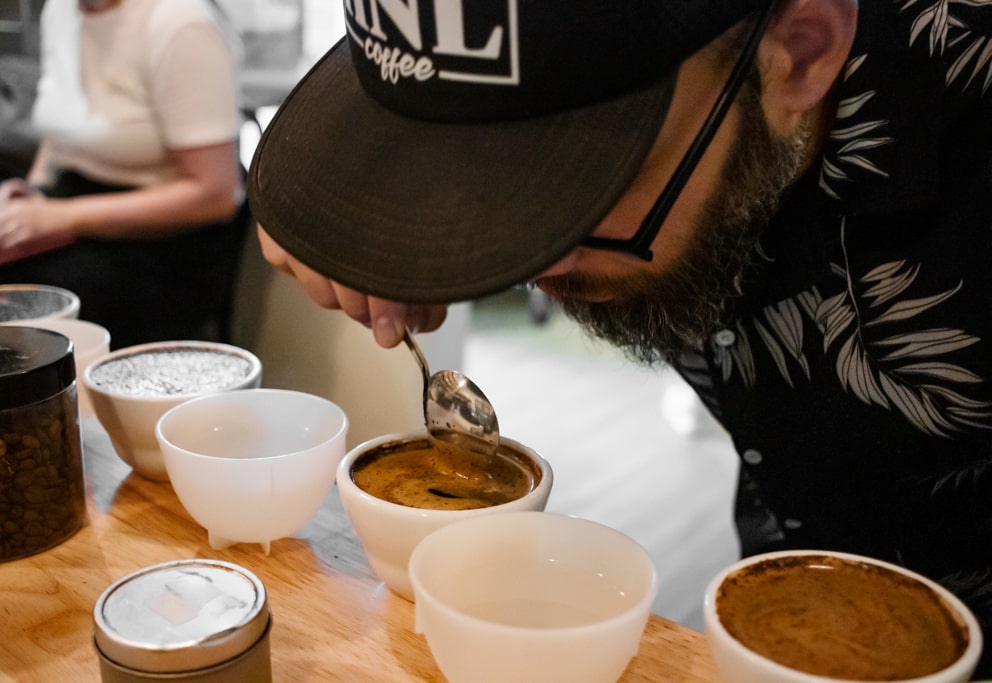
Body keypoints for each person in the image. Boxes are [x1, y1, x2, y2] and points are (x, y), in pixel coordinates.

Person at [248, 0, 992, 673]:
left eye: (583, 180)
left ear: (799, 50)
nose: (528, 258)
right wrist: (352, 209)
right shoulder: (693, 145)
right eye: (476, 172)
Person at [0, 0, 246, 348]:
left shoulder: (181, 24)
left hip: (162, 243)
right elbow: (60, 134)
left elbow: (216, 195)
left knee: (9, 291)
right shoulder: (63, 9)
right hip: (77, 200)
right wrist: (31, 192)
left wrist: (60, 216)